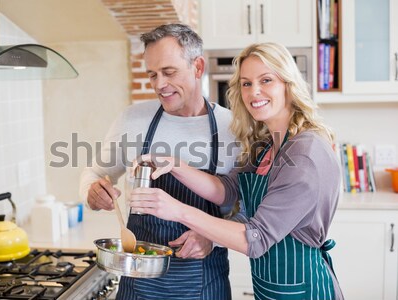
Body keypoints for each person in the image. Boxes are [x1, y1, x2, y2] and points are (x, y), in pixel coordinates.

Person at [129, 42, 344, 299]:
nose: (254, 92)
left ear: (288, 84)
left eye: (266, 80)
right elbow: (227, 191)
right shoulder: (265, 144)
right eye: (246, 83)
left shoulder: (305, 152)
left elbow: (255, 237)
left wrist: (178, 210)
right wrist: (175, 166)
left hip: (304, 289)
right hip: (270, 288)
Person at [80, 23, 239, 300]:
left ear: (198, 67)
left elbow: (248, 207)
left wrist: (212, 238)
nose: (159, 85)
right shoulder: (133, 120)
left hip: (204, 282)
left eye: (169, 72)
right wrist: (92, 192)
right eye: (152, 75)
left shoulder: (232, 127)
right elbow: (95, 173)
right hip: (139, 284)